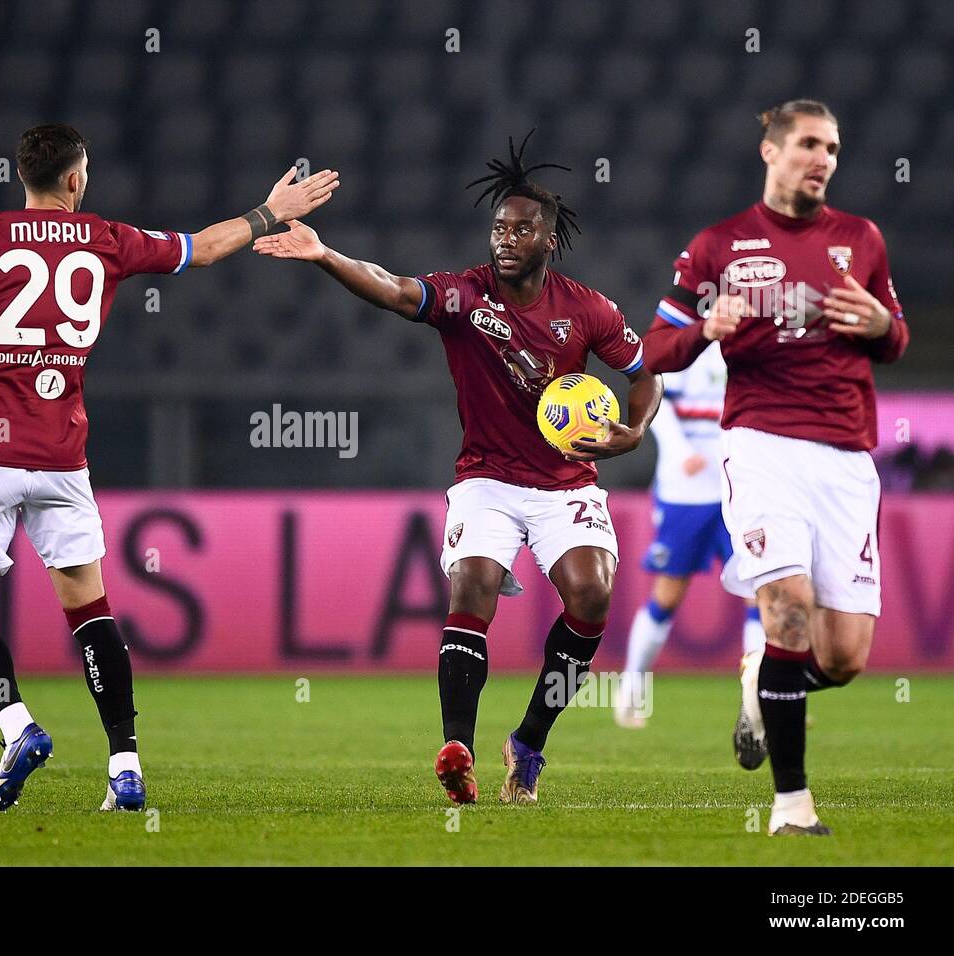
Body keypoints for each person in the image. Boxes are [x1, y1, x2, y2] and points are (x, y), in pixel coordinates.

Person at [0, 124, 339, 812]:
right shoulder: (106, 238)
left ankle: (19, 727)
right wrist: (270, 212)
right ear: (75, 179)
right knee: (91, 614)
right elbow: (206, 250)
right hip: (62, 455)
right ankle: (125, 768)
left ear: (24, 177)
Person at [254, 133, 661, 805]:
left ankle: (529, 741)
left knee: (592, 596)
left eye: (522, 229)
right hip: (487, 480)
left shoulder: (587, 309)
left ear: (548, 241)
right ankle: (458, 749)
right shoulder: (463, 297)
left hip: (565, 483)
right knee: (472, 584)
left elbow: (645, 376)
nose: (506, 238)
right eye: (499, 227)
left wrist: (633, 432)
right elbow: (390, 288)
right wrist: (325, 253)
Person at [643, 100, 908, 835]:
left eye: (833, 148)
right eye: (809, 145)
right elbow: (652, 350)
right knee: (786, 608)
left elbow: (896, 337)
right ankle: (792, 807)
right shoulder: (720, 246)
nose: (823, 158)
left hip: (848, 458)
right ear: (771, 151)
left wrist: (882, 324)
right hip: (762, 446)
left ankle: (764, 685)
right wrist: (706, 328)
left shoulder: (861, 239)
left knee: (846, 654)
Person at [614, 340, 766, 729]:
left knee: (757, 590)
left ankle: (758, 701)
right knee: (669, 591)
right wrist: (682, 450)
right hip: (686, 492)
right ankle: (631, 688)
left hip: (740, 490)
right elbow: (656, 398)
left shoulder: (752, 348)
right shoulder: (685, 346)